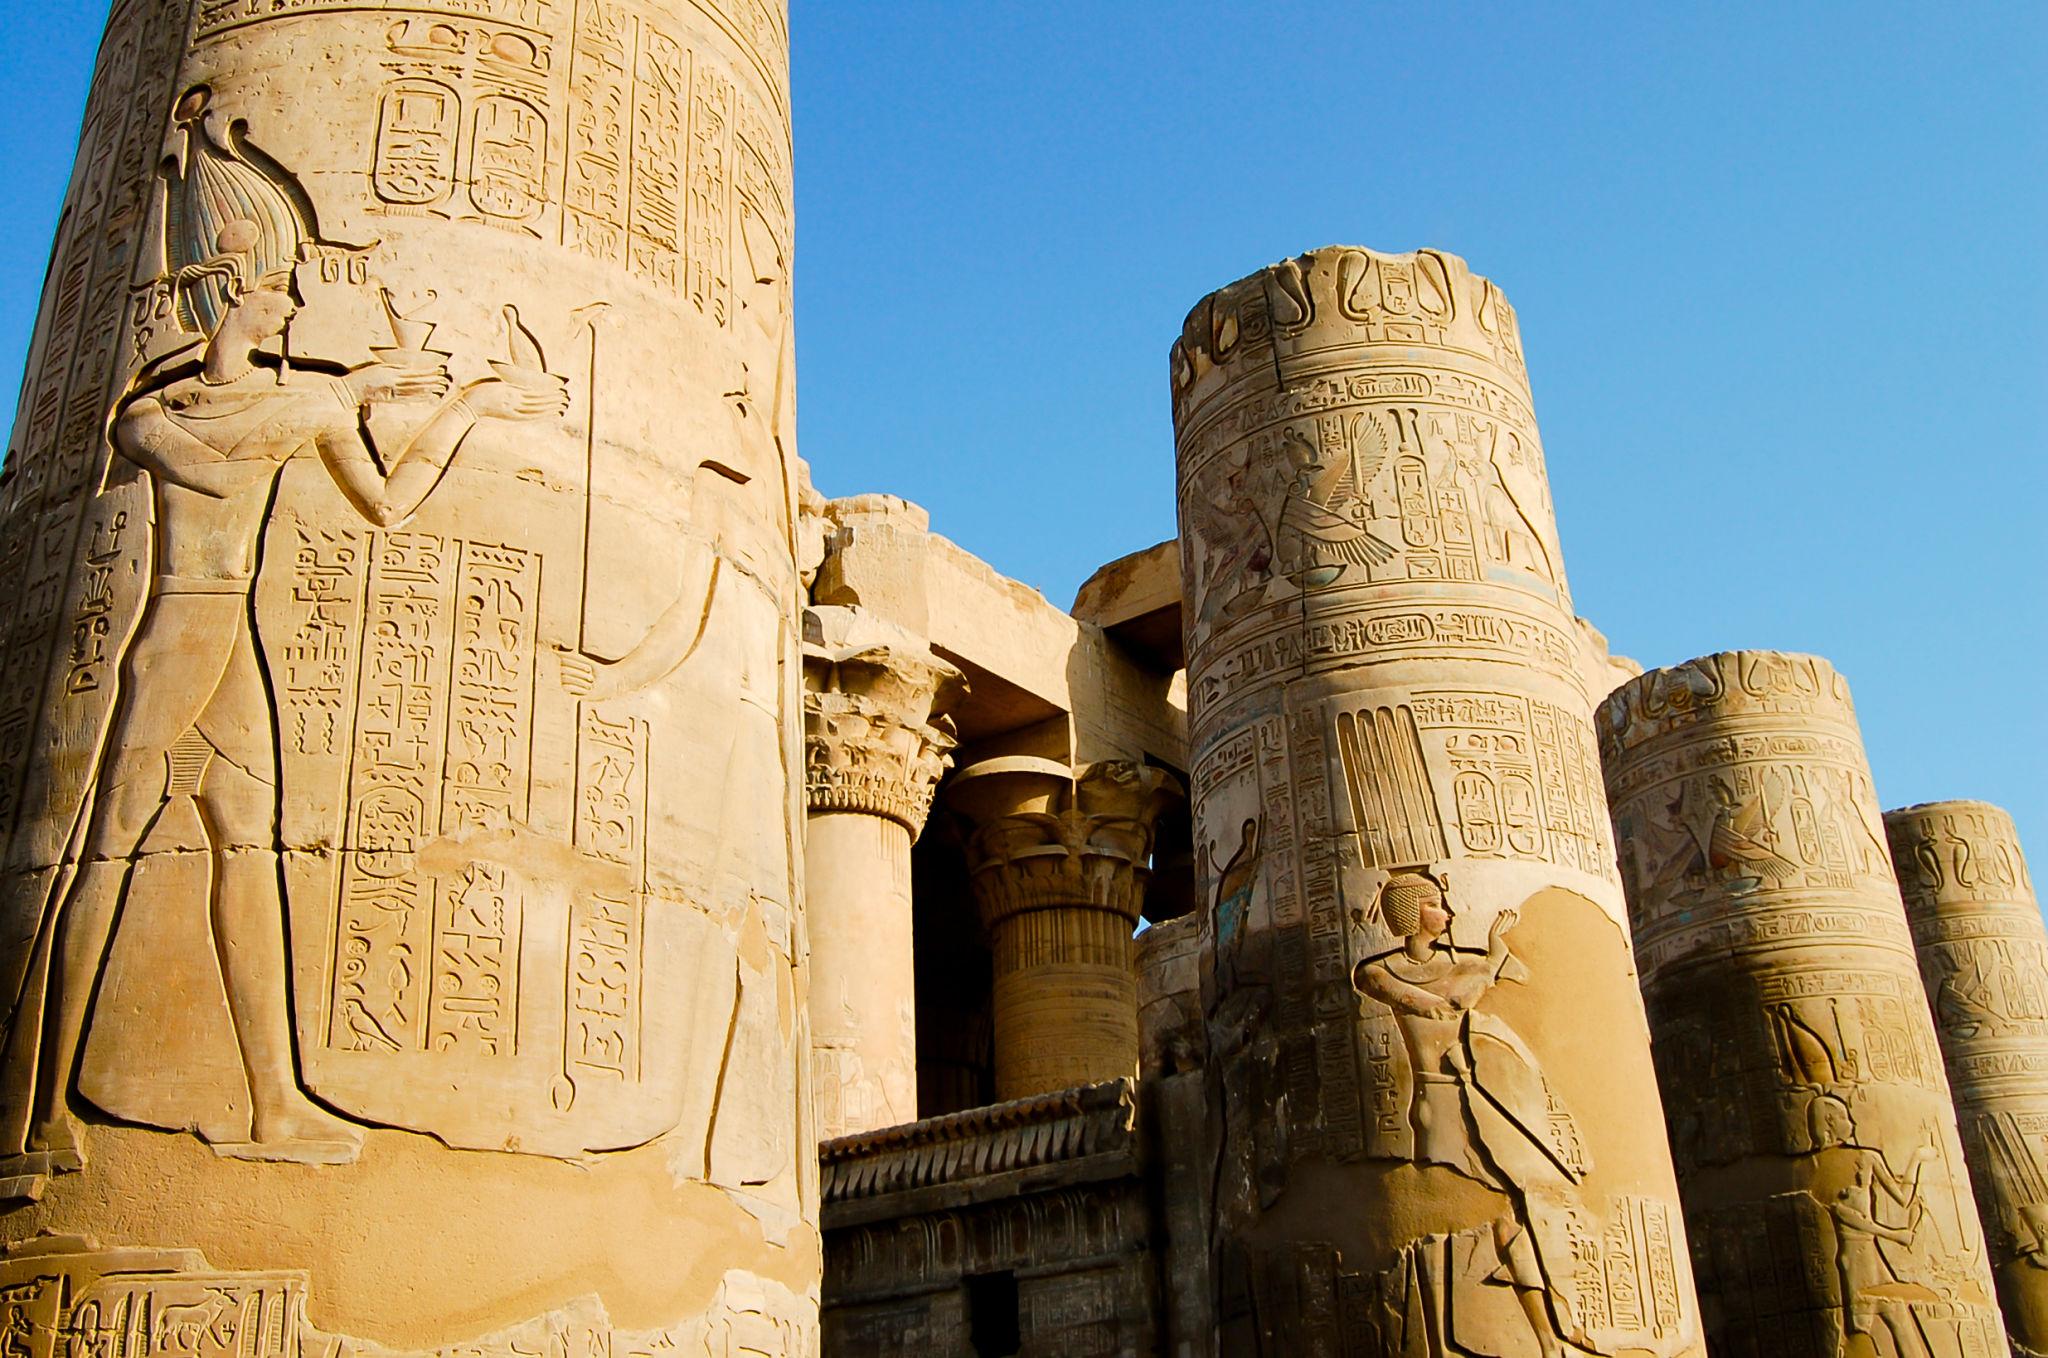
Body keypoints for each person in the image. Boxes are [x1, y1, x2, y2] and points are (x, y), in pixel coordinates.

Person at [15, 252, 563, 1169]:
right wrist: (333, 394)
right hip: (173, 646)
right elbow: (217, 471)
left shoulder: (299, 403)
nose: (293, 307)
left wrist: (464, 407)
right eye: (278, 289)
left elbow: (390, 504)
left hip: (231, 648)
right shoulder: (152, 416)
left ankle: (273, 1101)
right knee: (102, 859)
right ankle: (27, 1113)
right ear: (232, 293)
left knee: (248, 858)